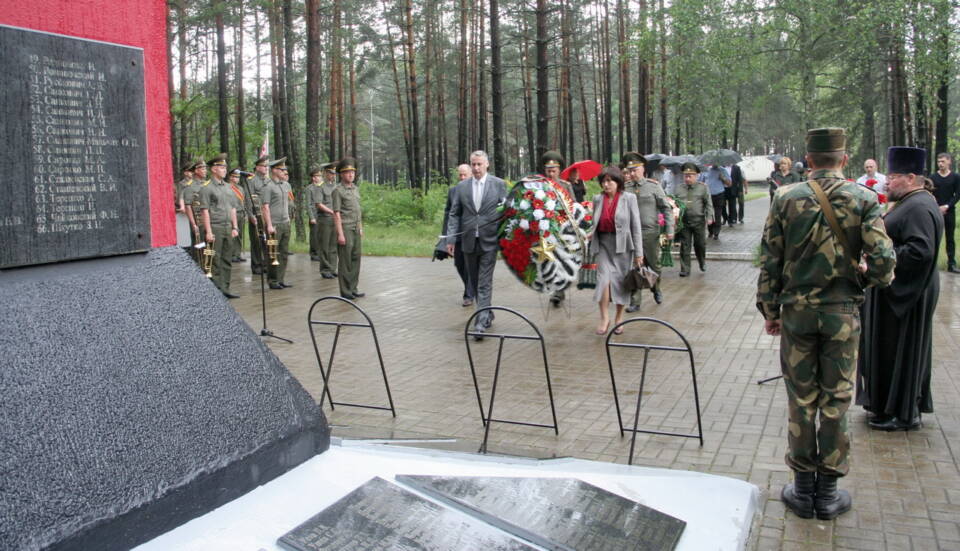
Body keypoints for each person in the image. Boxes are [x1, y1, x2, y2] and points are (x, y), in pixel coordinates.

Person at [757, 128, 895, 521]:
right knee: (836, 398)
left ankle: (802, 491)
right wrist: (866, 281)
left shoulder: (785, 197)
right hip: (842, 314)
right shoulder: (865, 198)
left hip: (797, 314)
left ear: (809, 159)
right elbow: (884, 261)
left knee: (801, 398)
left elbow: (770, 259)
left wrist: (770, 312)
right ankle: (829, 494)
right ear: (844, 158)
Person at [858, 147, 942, 432]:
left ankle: (902, 413)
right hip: (903, 292)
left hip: (907, 295)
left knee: (899, 351)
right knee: (894, 350)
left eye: (892, 177)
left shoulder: (918, 206)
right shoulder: (913, 201)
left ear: (910, 177)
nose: (886, 182)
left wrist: (879, 260)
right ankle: (890, 406)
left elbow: (921, 252)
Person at [445, 150, 508, 339]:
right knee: (473, 280)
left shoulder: (498, 185)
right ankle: (487, 312)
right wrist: (450, 239)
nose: (476, 168)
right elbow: (454, 213)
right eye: (473, 164)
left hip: (489, 241)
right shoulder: (462, 187)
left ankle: (480, 324)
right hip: (468, 241)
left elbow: (506, 211)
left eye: (480, 164)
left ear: (487, 164)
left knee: (484, 282)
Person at [587, 166, 643, 335]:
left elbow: (636, 226)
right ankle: (604, 317)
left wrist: (639, 253)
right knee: (603, 280)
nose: (606, 184)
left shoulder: (629, 198)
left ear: (618, 182)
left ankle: (619, 317)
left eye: (610, 181)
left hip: (623, 246)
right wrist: (589, 233)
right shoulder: (598, 199)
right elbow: (594, 222)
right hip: (603, 244)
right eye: (603, 181)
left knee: (620, 283)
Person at [622, 152, 673, 311]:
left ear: (643, 169)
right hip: (630, 234)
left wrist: (670, 229)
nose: (632, 173)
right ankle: (635, 301)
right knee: (635, 266)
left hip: (650, 233)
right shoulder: (625, 188)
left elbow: (666, 208)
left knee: (654, 265)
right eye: (629, 170)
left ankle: (656, 288)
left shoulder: (653, 186)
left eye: (635, 169)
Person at [198, 154, 241, 299]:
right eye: (222, 167)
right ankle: (216, 291)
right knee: (214, 261)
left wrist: (235, 227)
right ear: (214, 169)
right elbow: (204, 211)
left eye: (225, 167)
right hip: (215, 227)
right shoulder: (207, 188)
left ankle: (226, 288)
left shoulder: (229, 187)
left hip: (228, 227)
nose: (225, 169)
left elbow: (233, 208)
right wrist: (208, 231)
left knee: (227, 259)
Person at [437, 164, 474, 305]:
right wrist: (446, 236)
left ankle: (469, 294)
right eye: (460, 174)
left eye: (465, 174)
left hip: (471, 234)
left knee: (469, 264)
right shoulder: (453, 191)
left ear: (471, 174)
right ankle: (471, 288)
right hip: (456, 234)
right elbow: (448, 214)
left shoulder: (475, 190)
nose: (462, 177)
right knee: (459, 264)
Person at [542, 150, 573, 307]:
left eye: (554, 170)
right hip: (544, 231)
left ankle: (558, 292)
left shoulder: (566, 186)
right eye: (548, 170)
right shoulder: (538, 187)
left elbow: (573, 207)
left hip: (562, 231)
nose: (551, 173)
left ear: (559, 170)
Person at [333, 157, 364, 299]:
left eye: (352, 172)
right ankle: (345, 291)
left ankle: (353, 288)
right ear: (341, 174)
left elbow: (358, 210)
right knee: (345, 261)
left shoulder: (355, 189)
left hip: (356, 228)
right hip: (345, 228)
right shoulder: (338, 191)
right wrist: (340, 234)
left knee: (356, 258)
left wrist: (361, 227)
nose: (351, 174)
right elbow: (337, 214)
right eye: (347, 172)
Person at [260, 157, 293, 290]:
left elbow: (288, 204)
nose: (284, 171)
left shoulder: (285, 185)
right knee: (273, 253)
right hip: (274, 224)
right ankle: (273, 280)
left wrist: (289, 219)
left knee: (284, 252)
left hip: (285, 223)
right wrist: (268, 225)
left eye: (284, 169)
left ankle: (281, 278)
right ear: (274, 170)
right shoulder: (268, 186)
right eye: (281, 169)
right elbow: (265, 207)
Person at [674, 163, 713, 277]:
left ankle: (702, 262)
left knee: (700, 245)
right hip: (684, 222)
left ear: (696, 176)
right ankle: (685, 269)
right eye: (686, 175)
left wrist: (709, 217)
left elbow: (708, 204)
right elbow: (674, 203)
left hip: (698, 221)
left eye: (690, 175)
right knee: (685, 245)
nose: (688, 178)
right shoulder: (679, 189)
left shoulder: (703, 188)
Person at [930, 153, 960, 272]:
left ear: (949, 162)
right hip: (935, 211)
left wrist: (947, 206)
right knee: (934, 237)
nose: (940, 164)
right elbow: (928, 193)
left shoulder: (955, 177)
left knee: (950, 238)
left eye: (943, 161)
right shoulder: (933, 177)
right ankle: (931, 264)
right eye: (938, 162)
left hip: (949, 211)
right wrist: (936, 207)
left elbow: (958, 194)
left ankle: (951, 264)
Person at [315, 163, 340, 279]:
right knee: (324, 245)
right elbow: (319, 204)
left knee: (333, 246)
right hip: (324, 219)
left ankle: (332, 268)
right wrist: (331, 212)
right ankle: (325, 269)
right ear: (325, 173)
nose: (333, 175)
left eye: (334, 173)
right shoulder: (320, 187)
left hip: (335, 220)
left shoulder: (336, 187)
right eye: (330, 173)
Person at [247, 155, 271, 275]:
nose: (266, 168)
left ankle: (266, 264)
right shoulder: (251, 180)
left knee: (267, 240)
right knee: (256, 241)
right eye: (264, 166)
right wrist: (251, 215)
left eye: (267, 166)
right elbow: (248, 198)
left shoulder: (268, 181)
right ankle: (256, 265)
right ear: (257, 167)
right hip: (256, 214)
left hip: (267, 214)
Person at [704, 164, 730, 239]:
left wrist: (723, 178)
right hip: (708, 195)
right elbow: (700, 181)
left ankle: (716, 232)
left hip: (719, 194)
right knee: (709, 213)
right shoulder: (706, 170)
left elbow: (729, 184)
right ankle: (710, 230)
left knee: (718, 214)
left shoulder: (723, 170)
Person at [227, 169, 247, 263]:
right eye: (235, 177)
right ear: (230, 177)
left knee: (239, 235)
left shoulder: (241, 188)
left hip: (241, 213)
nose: (237, 179)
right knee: (232, 234)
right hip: (232, 214)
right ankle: (231, 254)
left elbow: (243, 202)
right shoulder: (227, 187)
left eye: (238, 177)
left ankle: (238, 254)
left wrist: (245, 213)